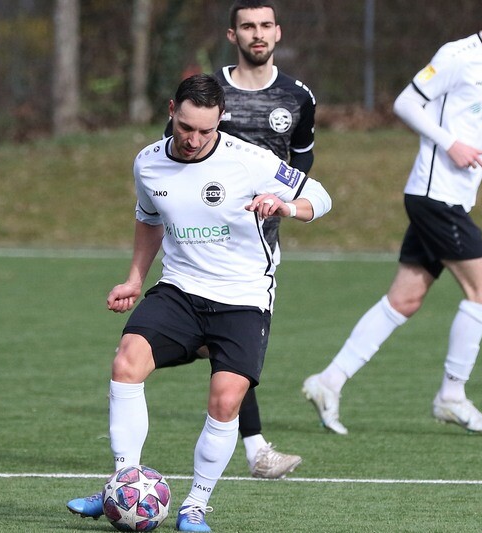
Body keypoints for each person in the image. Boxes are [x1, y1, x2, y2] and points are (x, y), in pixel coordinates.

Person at [67, 73, 331, 532]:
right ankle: (123, 484)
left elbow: (320, 197)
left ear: (220, 120)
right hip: (180, 289)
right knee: (127, 362)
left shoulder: (250, 160)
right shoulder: (148, 162)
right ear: (172, 111)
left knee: (226, 400)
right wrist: (135, 278)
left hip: (243, 296)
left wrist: (286, 206)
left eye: (205, 130)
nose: (193, 139)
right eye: (186, 127)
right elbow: (149, 219)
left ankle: (195, 505)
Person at [303, 0, 482, 435]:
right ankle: (452, 396)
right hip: (434, 196)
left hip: (454, 199)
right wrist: (450, 144)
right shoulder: (456, 55)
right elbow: (406, 103)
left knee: (405, 299)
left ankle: (328, 381)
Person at [164, 0, 316, 480]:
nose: (258, 33)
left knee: (226, 345)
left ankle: (168, 349)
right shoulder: (208, 94)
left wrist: (282, 200)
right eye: (248, 26)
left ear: (278, 32)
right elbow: (173, 154)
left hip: (258, 245)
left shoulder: (297, 96)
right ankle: (256, 449)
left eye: (266, 25)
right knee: (230, 346)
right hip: (204, 244)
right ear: (232, 35)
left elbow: (302, 162)